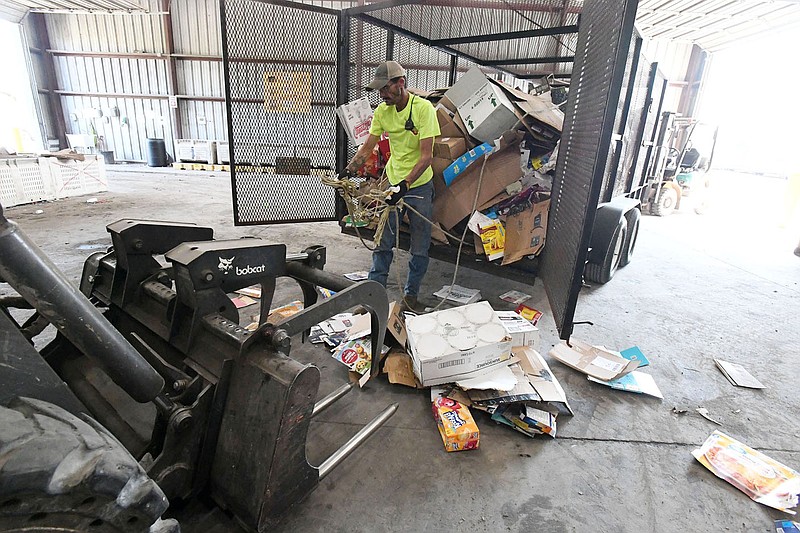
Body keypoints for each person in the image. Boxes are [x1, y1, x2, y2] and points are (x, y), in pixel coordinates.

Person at [344, 60, 440, 311]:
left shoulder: (423, 109)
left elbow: (427, 156)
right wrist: (349, 171)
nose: (382, 94)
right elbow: (367, 147)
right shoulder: (382, 112)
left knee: (419, 246)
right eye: (379, 90)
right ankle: (373, 297)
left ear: (401, 83)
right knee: (383, 242)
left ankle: (411, 295)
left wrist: (406, 186)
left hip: (418, 186)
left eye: (385, 88)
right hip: (394, 182)